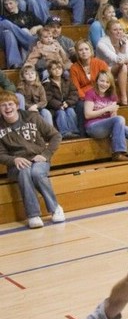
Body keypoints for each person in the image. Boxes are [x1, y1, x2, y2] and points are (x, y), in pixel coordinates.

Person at [0, 91, 65, 229]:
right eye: (3, 105)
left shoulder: (32, 117)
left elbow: (56, 136)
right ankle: (33, 215)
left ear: (17, 106)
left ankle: (55, 208)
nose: (7, 108)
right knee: (24, 172)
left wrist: (46, 154)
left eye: (10, 104)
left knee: (36, 173)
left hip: (38, 159)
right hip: (16, 164)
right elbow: (0, 154)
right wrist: (14, 160)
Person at [84, 70, 128, 161]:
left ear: (110, 84)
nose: (104, 84)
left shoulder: (112, 95)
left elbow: (114, 119)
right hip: (93, 127)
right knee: (119, 119)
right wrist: (106, 109)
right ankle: (118, 152)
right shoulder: (91, 93)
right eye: (102, 81)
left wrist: (112, 112)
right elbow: (87, 115)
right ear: (97, 81)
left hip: (108, 126)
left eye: (107, 82)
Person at [96, 19, 128, 106]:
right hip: (104, 70)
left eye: (120, 29)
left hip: (118, 67)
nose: (119, 32)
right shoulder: (101, 44)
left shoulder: (123, 40)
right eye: (115, 30)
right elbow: (116, 59)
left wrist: (124, 48)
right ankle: (124, 96)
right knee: (124, 66)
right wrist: (123, 49)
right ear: (108, 32)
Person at [0, 0, 41, 69]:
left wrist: (36, 27)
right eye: (6, 5)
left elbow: (42, 25)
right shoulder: (7, 18)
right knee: (6, 26)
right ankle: (30, 42)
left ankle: (16, 63)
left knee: (22, 30)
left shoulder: (28, 14)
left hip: (30, 35)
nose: (8, 6)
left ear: (17, 3)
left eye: (10, 3)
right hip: (14, 41)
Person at [44, 60, 80, 140]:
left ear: (62, 70)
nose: (57, 70)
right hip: (54, 108)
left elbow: (74, 93)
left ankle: (74, 131)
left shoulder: (67, 80)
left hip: (68, 104)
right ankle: (65, 132)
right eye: (54, 69)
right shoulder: (47, 83)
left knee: (70, 110)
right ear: (50, 71)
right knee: (61, 112)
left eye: (59, 68)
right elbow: (48, 98)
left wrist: (68, 103)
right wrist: (59, 105)